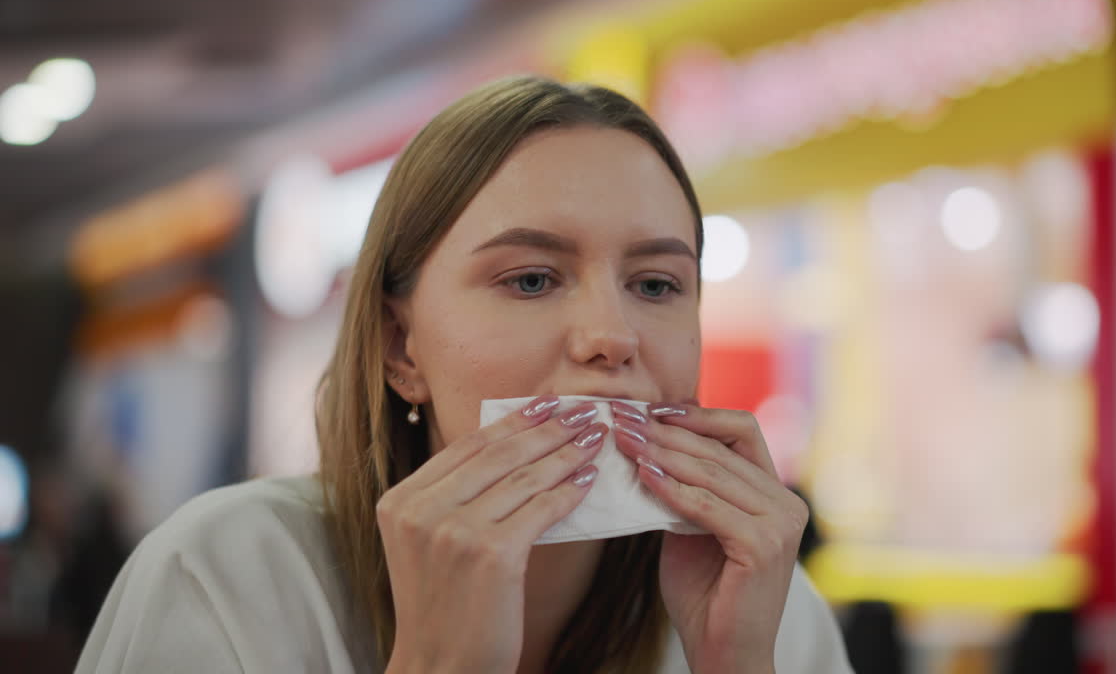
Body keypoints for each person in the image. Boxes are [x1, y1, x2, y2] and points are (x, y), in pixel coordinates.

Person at [75, 76, 853, 674]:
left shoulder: (769, 610)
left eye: (655, 286)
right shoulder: (226, 577)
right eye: (531, 280)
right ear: (399, 348)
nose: (611, 338)